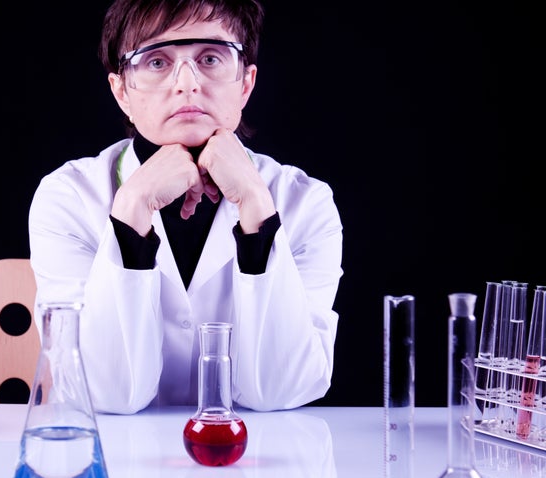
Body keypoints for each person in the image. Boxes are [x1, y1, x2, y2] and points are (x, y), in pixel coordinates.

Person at [28, 0, 343, 414]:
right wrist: (131, 208)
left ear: (246, 83)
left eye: (210, 57)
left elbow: (283, 390)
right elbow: (104, 394)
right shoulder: (67, 197)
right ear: (121, 91)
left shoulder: (305, 203)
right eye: (156, 61)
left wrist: (257, 209)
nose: (187, 83)